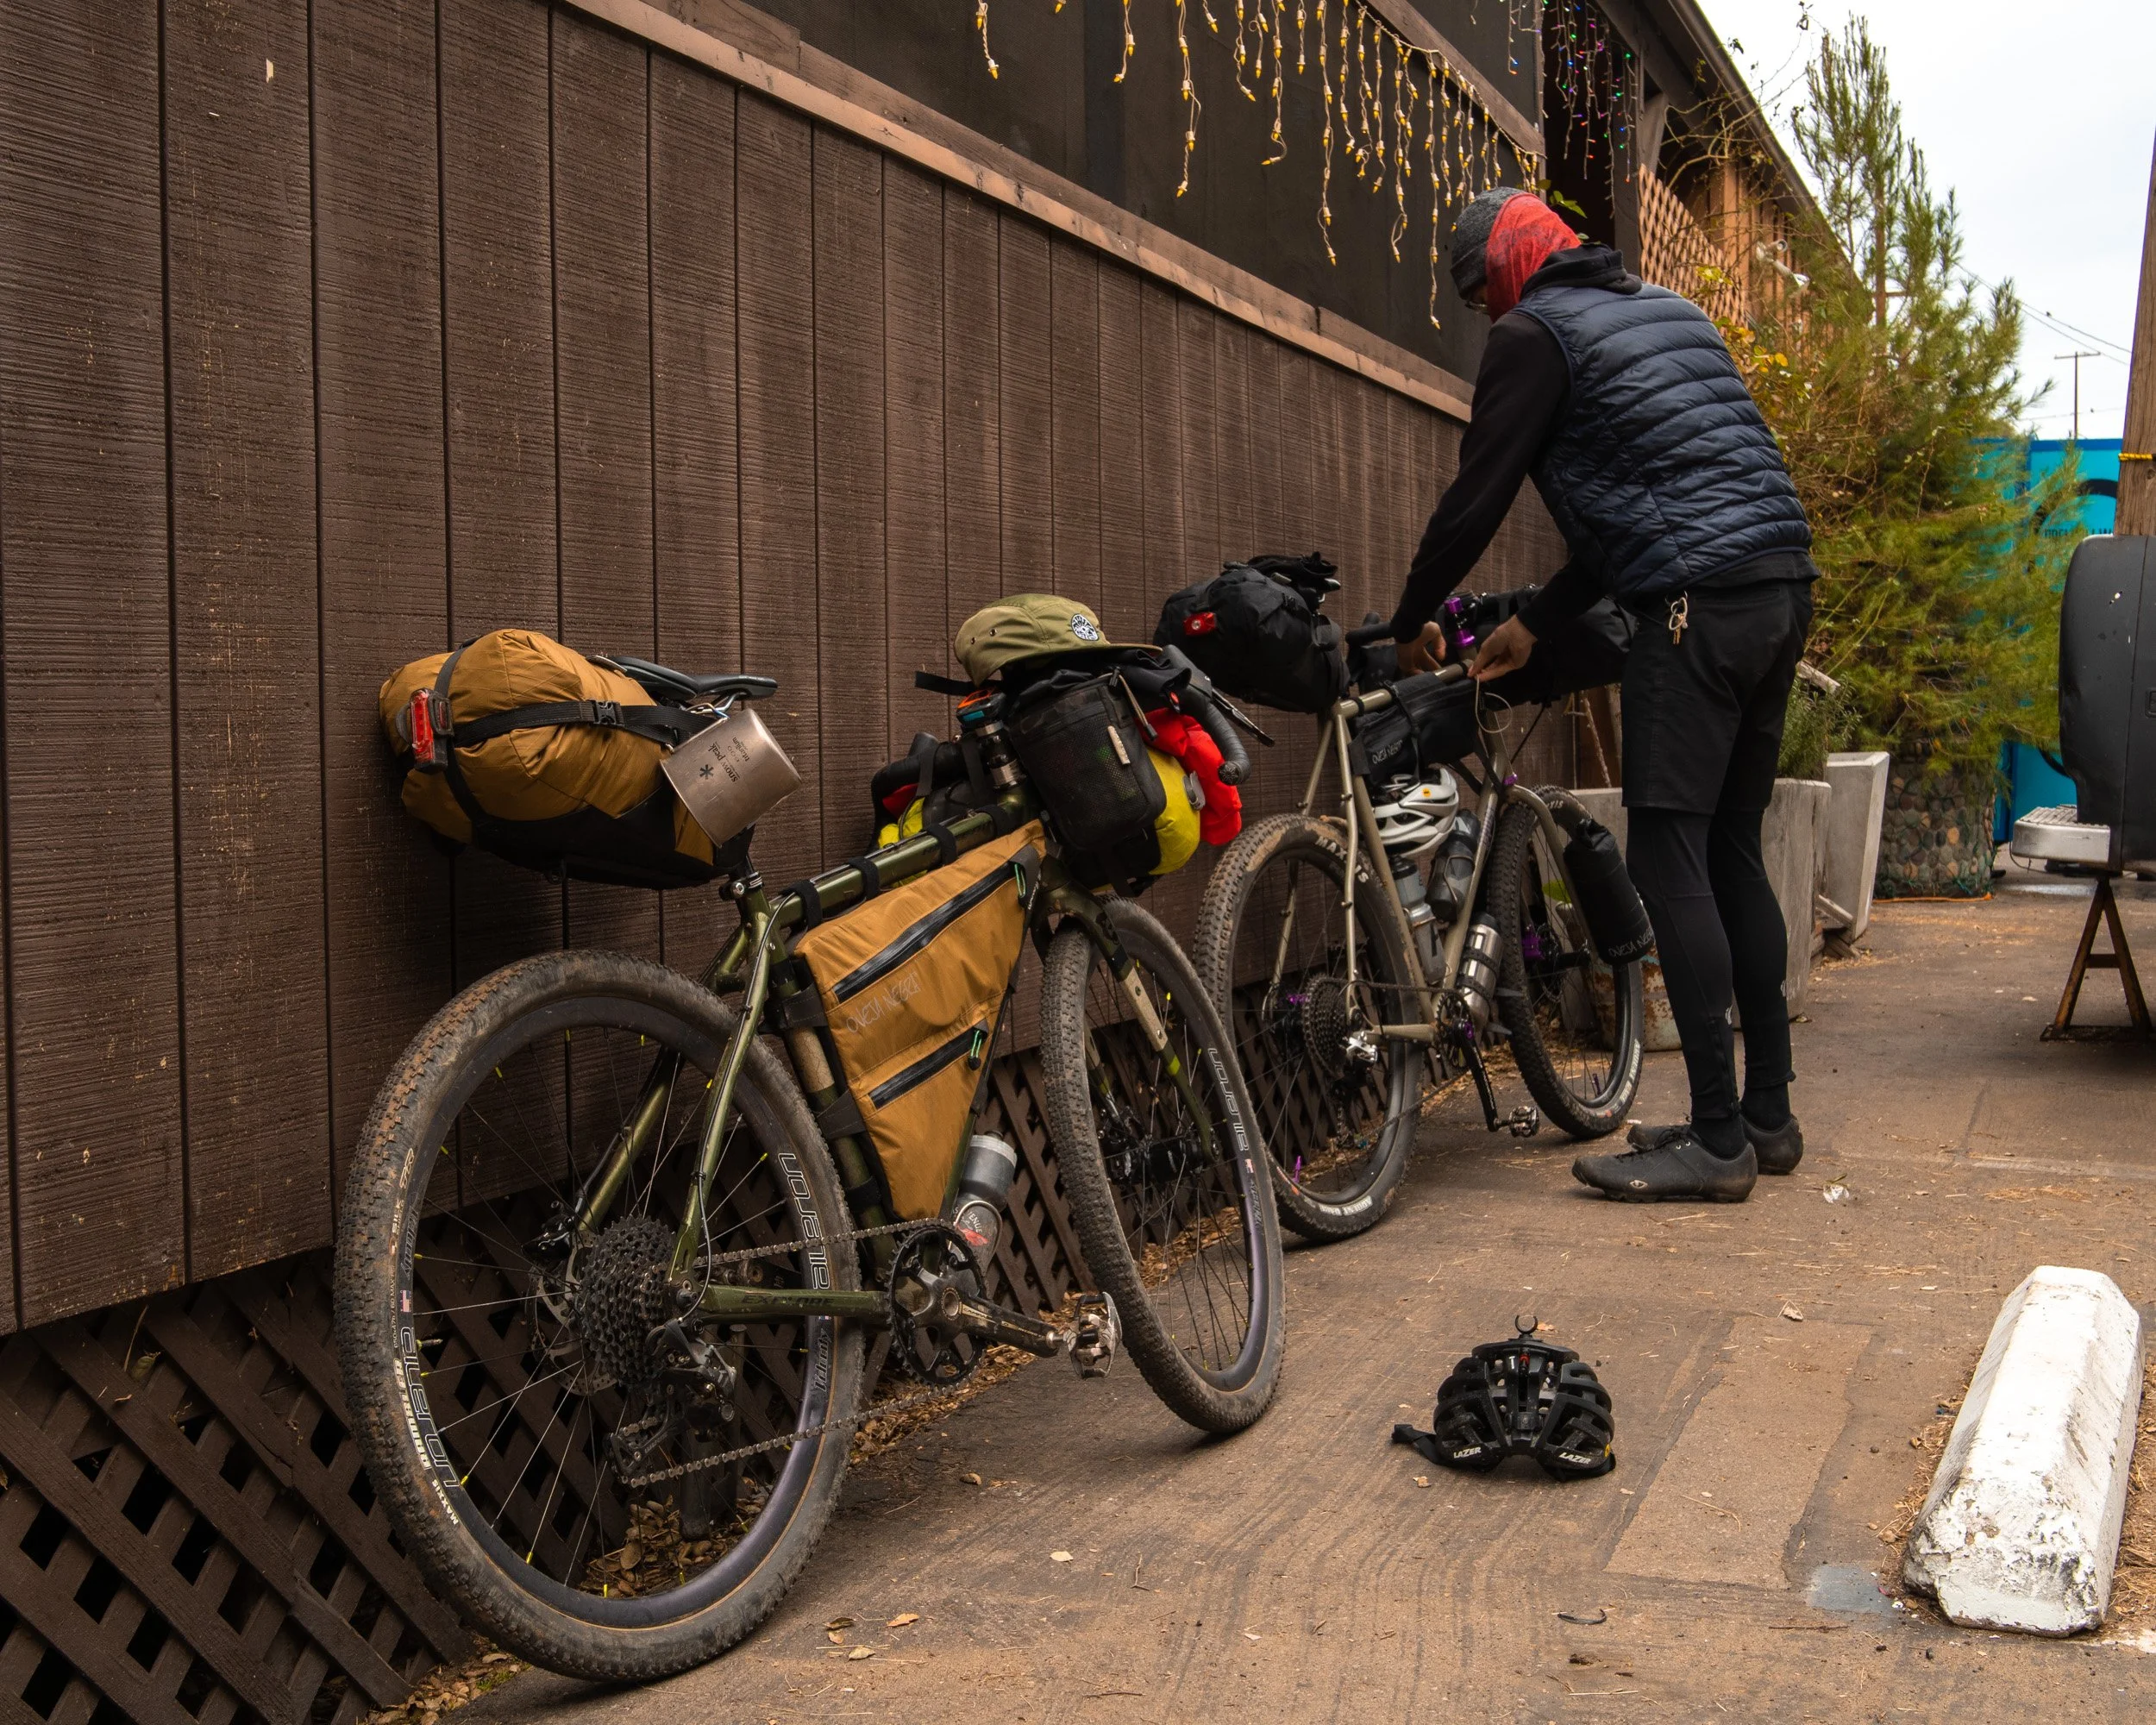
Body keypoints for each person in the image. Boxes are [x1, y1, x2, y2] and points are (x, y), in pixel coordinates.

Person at [1388, 186, 1814, 1204]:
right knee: (1730, 848)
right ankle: (1766, 1116)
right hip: (1778, 586)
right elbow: (1658, 494)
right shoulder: (1673, 312)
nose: (1488, 314)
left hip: (1691, 606)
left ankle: (1715, 1141)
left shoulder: (1536, 333)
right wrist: (1535, 617)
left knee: (1669, 850)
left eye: (1482, 290)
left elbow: (1474, 497)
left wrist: (1413, 613)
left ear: (1512, 268)